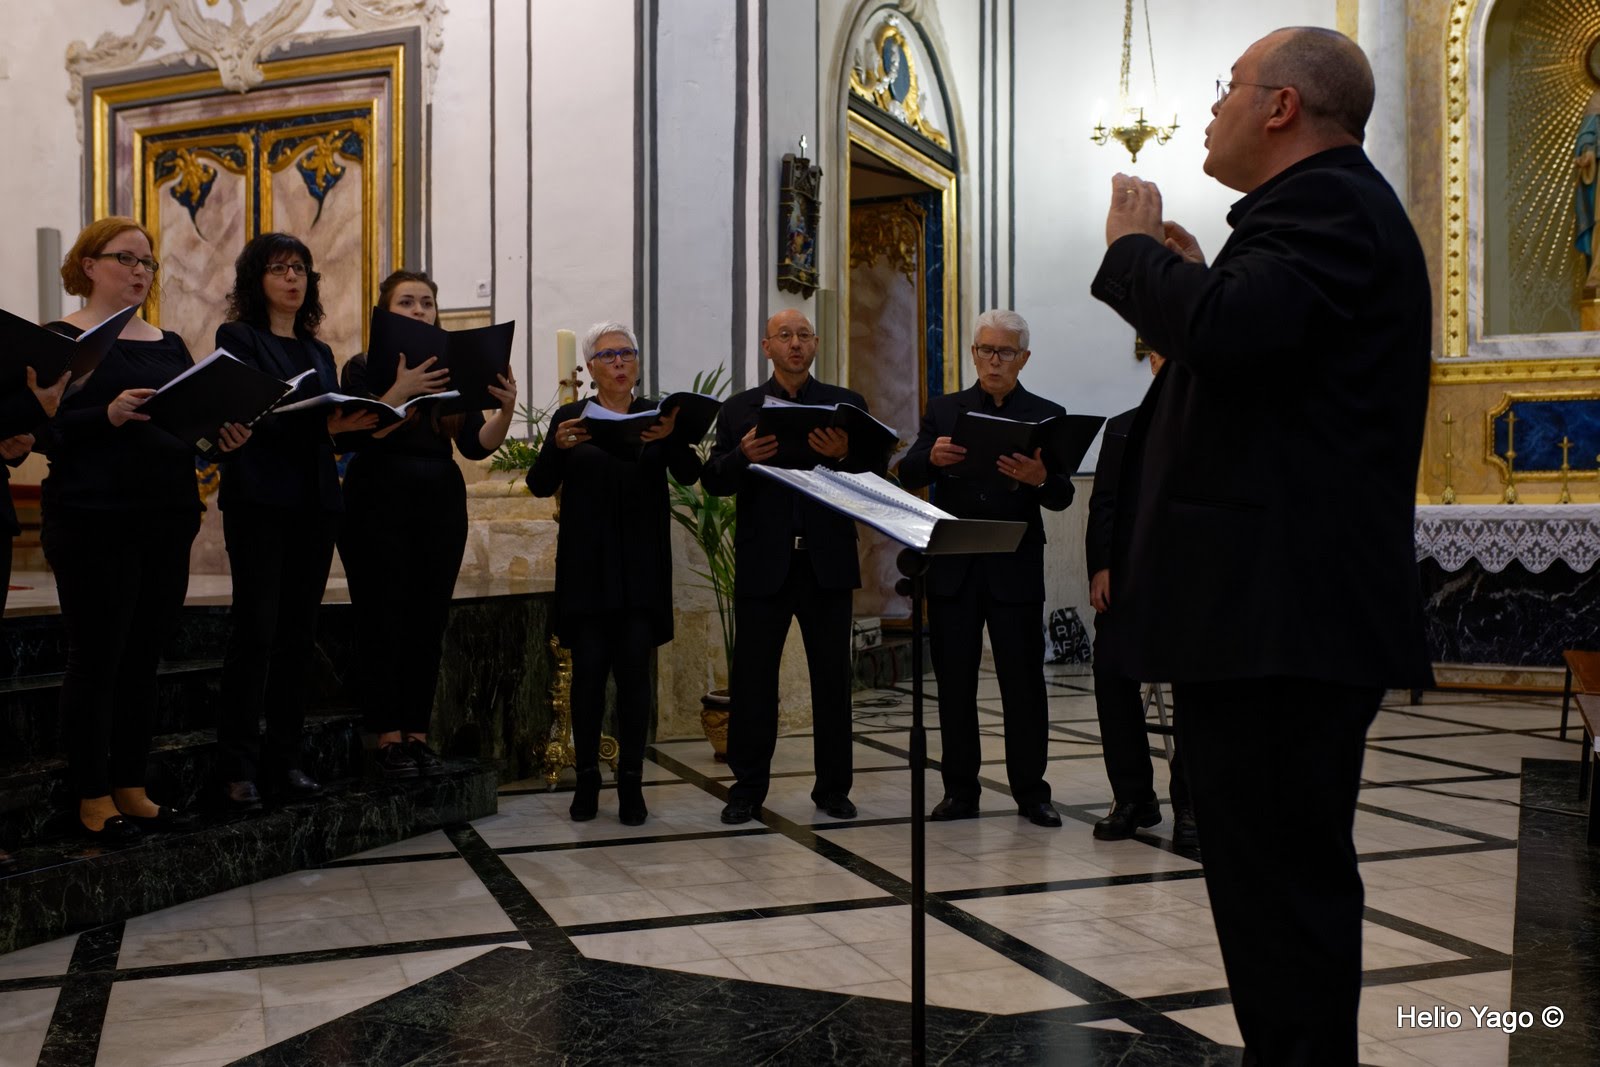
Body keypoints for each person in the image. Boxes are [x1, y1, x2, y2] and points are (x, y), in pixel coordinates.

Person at [1090, 27, 1430, 1063]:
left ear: (1280, 107)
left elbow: (1236, 333)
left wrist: (1134, 256)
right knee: (1273, 895)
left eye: (1229, 86)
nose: (1213, 106)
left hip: (1281, 624)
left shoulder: (1327, 203)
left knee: (1282, 900)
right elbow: (1246, 365)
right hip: (1270, 620)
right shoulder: (1313, 212)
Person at [39, 217, 249, 841]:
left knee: (144, 656)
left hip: (166, 512)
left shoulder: (170, 343)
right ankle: (91, 792)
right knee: (97, 656)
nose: (140, 271)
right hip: (91, 514)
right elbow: (41, 431)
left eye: (148, 262)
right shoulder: (61, 340)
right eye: (126, 258)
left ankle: (131, 783)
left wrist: (224, 437)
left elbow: (190, 426)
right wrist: (104, 412)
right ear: (87, 265)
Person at [215, 233, 377, 810]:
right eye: (279, 268)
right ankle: (237, 766)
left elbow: (322, 425)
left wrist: (361, 420)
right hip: (260, 499)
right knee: (255, 632)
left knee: (296, 638)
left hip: (315, 502)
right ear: (255, 279)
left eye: (301, 270)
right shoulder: (238, 338)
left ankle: (285, 759)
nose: (292, 278)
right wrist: (323, 427)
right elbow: (253, 417)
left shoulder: (318, 352)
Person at [703, 309, 881, 825]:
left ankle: (833, 788)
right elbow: (714, 480)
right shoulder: (740, 410)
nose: (796, 344)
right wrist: (742, 456)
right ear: (767, 347)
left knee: (832, 679)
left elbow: (874, 474)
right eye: (785, 336)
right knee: (754, 678)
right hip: (765, 563)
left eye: (804, 335)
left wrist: (847, 454)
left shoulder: (847, 405)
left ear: (816, 343)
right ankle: (747, 787)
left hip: (826, 561)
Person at [339, 271, 518, 779]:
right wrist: (401, 389)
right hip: (377, 495)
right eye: (407, 303)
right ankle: (386, 737)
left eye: (427, 303)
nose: (419, 311)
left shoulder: (453, 371)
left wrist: (505, 409)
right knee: (382, 617)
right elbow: (357, 433)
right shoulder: (361, 367)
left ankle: (416, 734)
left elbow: (476, 444)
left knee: (427, 620)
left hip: (439, 498)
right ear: (385, 311)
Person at [898, 308, 1071, 829]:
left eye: (1005, 352)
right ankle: (960, 790)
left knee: (1023, 683)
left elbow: (1062, 496)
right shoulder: (946, 410)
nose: (993, 361)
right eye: (985, 350)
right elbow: (907, 471)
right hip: (954, 564)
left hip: (1014, 564)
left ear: (1024, 358)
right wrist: (934, 461)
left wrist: (1041, 477)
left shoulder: (1047, 414)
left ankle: (1031, 792)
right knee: (954, 682)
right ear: (973, 354)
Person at [526, 322, 701, 825]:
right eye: (608, 356)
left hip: (641, 567)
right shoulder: (570, 416)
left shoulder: (657, 415)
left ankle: (631, 784)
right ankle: (586, 781)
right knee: (588, 677)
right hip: (587, 566)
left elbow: (691, 476)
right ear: (591, 368)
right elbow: (540, 486)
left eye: (628, 353)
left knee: (633, 676)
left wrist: (671, 440)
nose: (620, 362)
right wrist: (558, 446)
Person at [1085, 352, 1193, 846]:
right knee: (1111, 674)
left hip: (1192, 579)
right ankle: (1133, 796)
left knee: (1195, 689)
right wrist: (1101, 567)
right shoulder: (1123, 427)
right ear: (1153, 361)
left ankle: (1192, 804)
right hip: (1128, 578)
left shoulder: (1217, 424)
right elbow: (1104, 500)